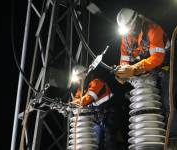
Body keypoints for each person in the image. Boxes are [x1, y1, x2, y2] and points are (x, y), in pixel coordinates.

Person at [115, 8, 177, 146]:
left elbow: (157, 58)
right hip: (148, 71)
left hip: (167, 67)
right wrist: (122, 73)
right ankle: (145, 139)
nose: (129, 32)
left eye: (129, 28)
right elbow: (124, 61)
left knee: (168, 101)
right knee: (140, 102)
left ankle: (173, 139)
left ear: (136, 21)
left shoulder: (153, 29)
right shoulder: (125, 39)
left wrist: (134, 68)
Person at [70, 65, 128, 150]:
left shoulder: (96, 82)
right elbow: (77, 98)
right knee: (96, 143)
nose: (78, 80)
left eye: (79, 77)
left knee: (109, 139)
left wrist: (72, 104)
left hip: (111, 114)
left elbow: (87, 99)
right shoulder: (83, 87)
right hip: (99, 117)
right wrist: (71, 104)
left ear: (85, 74)